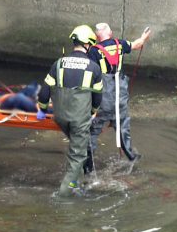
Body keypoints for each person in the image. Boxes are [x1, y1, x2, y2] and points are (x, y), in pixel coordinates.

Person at [37, 25, 103, 197]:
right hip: (79, 119)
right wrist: (93, 112)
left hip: (60, 117)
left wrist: (42, 109)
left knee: (77, 147)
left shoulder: (58, 64)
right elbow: (97, 98)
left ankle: (77, 184)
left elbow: (44, 92)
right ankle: (63, 196)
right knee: (78, 156)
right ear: (88, 44)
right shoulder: (94, 68)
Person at [84, 22, 151, 173]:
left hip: (103, 99)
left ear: (96, 37)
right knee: (122, 127)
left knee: (93, 131)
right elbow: (137, 45)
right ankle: (132, 157)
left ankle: (88, 167)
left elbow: (89, 75)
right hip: (120, 97)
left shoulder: (94, 51)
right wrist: (144, 37)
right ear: (110, 34)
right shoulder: (119, 44)